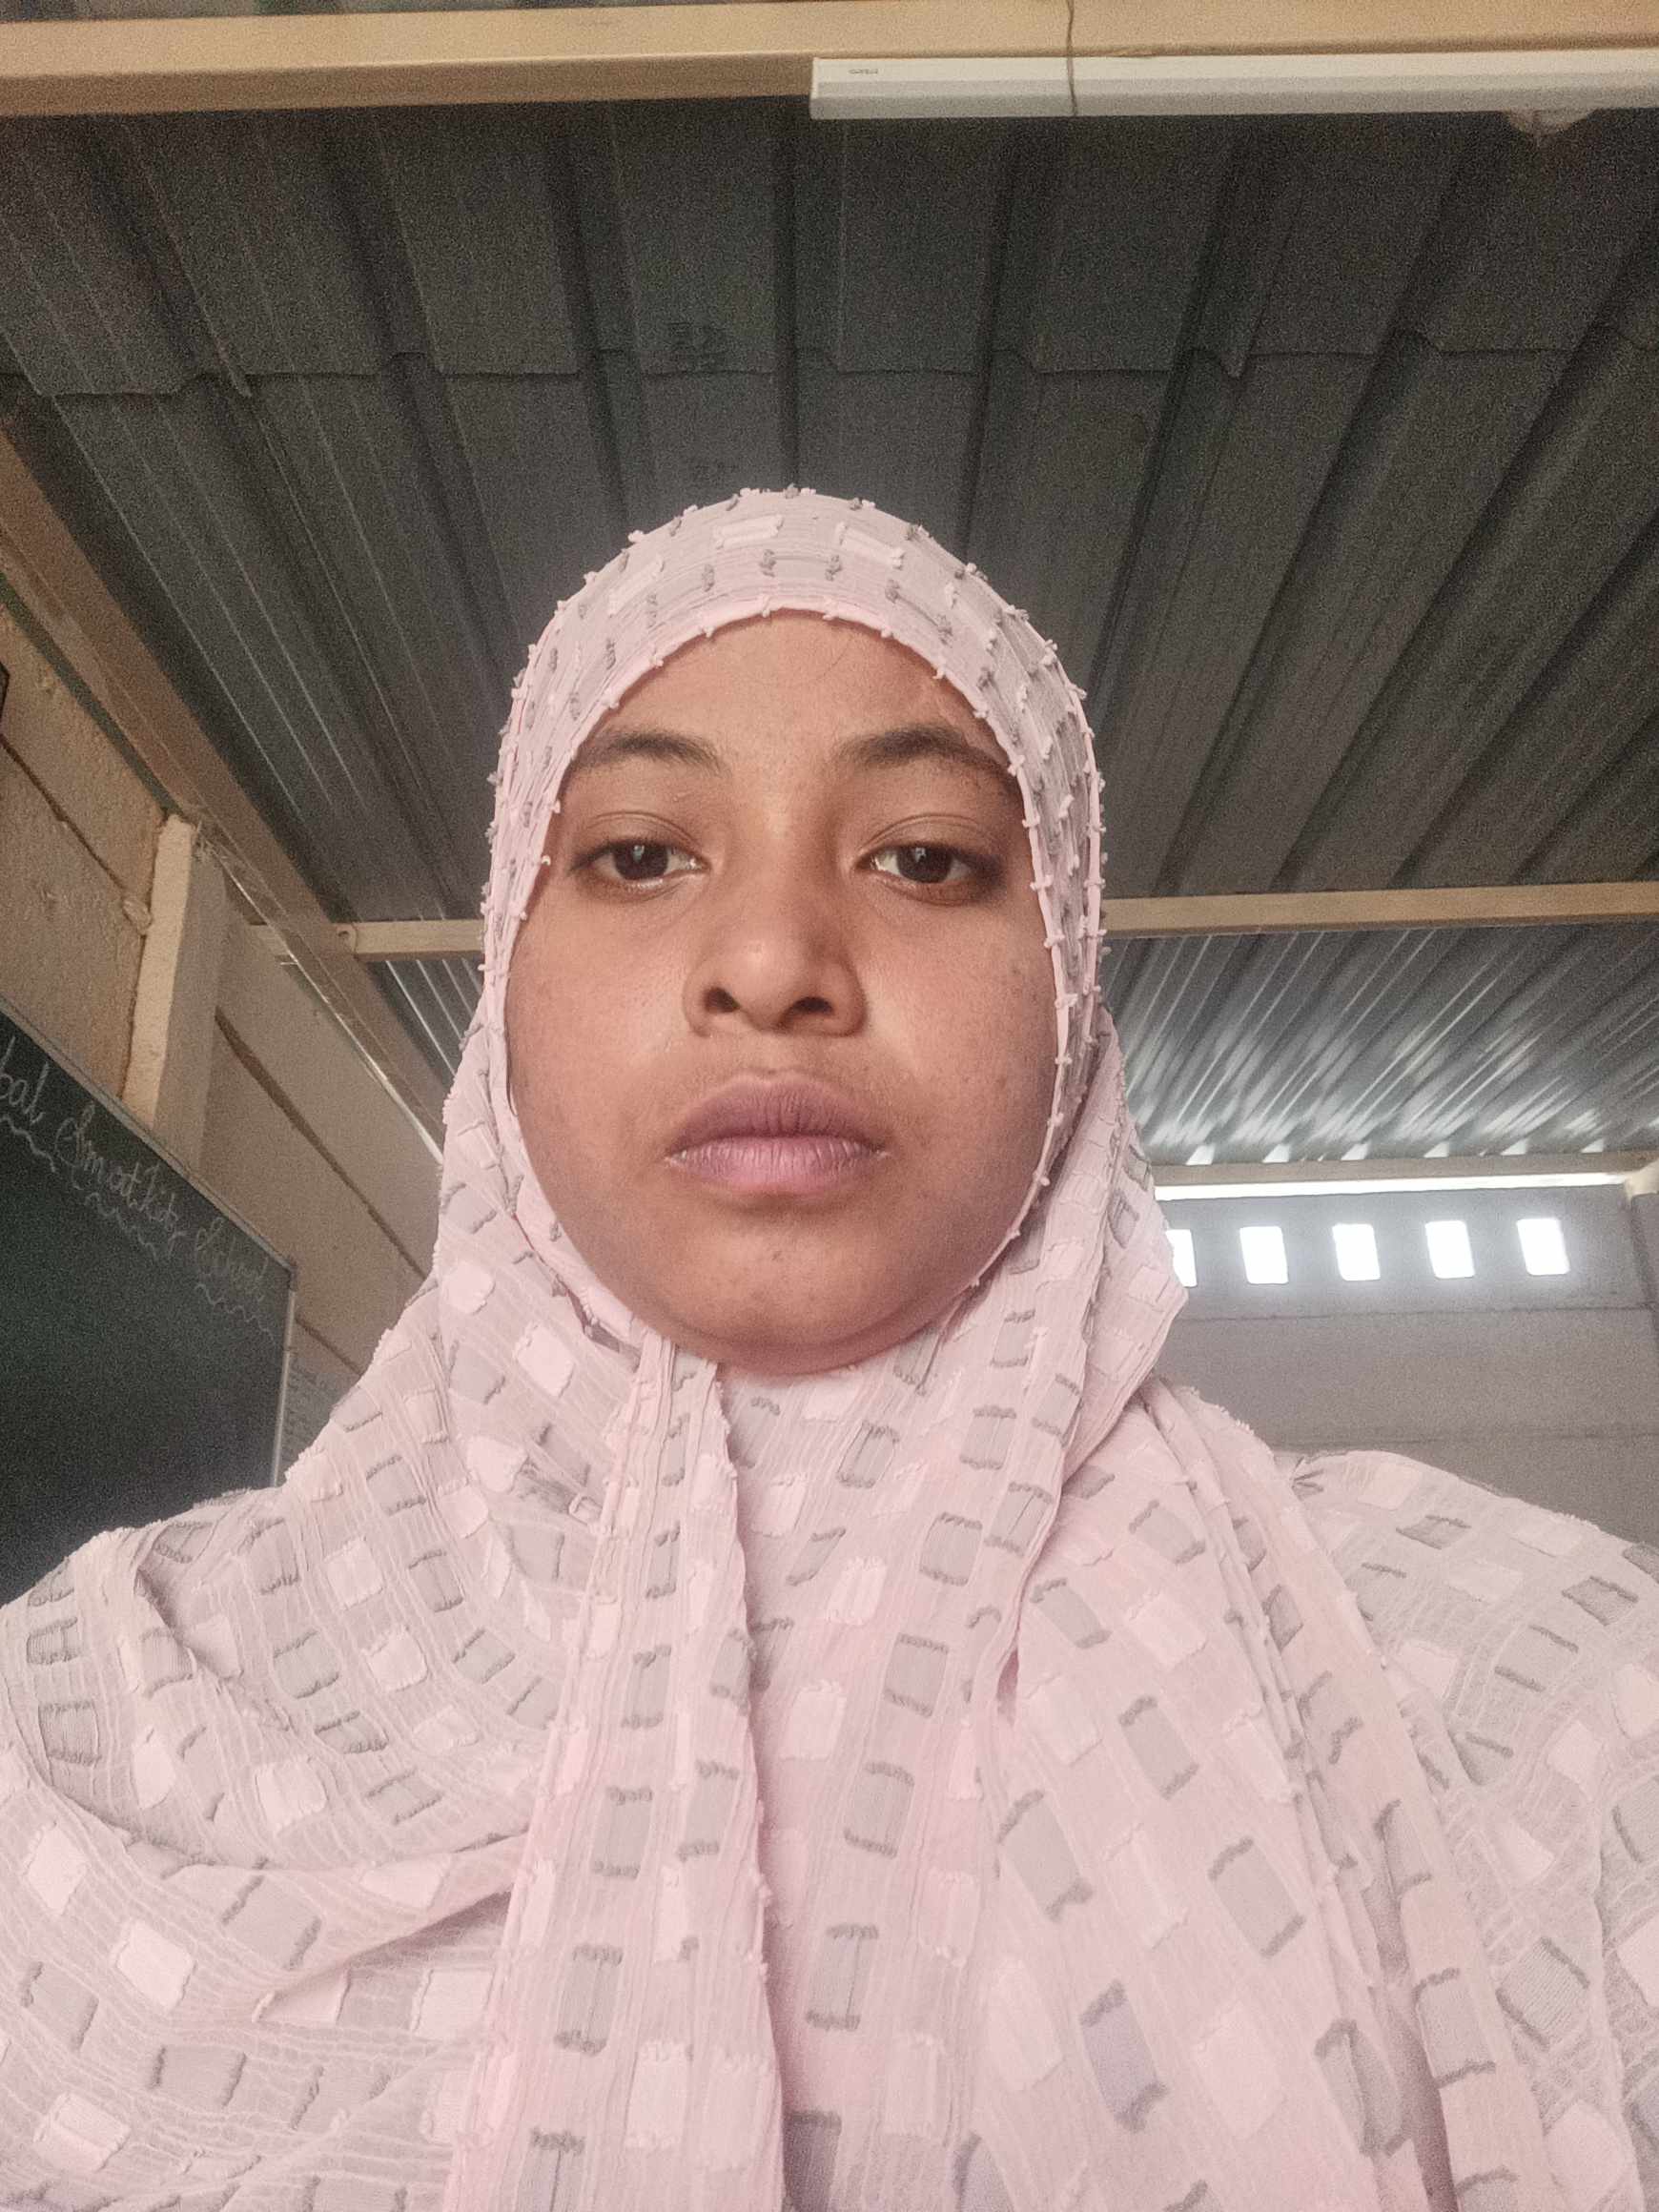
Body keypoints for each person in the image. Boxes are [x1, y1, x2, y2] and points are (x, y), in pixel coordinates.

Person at [0, 487, 1653, 2212]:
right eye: (640, 854)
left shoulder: (1519, 1708)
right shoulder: (94, 1732)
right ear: (505, 983)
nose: (774, 962)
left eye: (924, 856)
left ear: (1071, 990)